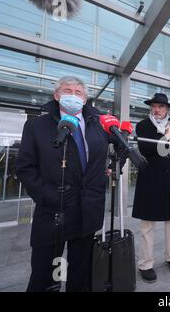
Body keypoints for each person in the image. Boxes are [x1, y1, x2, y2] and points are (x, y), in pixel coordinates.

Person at [16, 76, 109, 291]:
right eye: (68, 91)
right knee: (44, 276)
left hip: (87, 212)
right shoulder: (36, 125)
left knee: (80, 275)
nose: (73, 96)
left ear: (85, 99)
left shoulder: (98, 125)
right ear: (57, 96)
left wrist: (105, 174)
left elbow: (103, 160)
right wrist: (47, 196)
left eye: (78, 93)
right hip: (52, 213)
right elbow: (25, 167)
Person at [132, 93, 170, 283]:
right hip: (151, 181)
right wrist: (166, 138)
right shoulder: (142, 126)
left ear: (167, 109)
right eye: (154, 106)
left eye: (161, 107)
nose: (157, 110)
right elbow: (146, 151)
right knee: (147, 226)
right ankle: (145, 264)